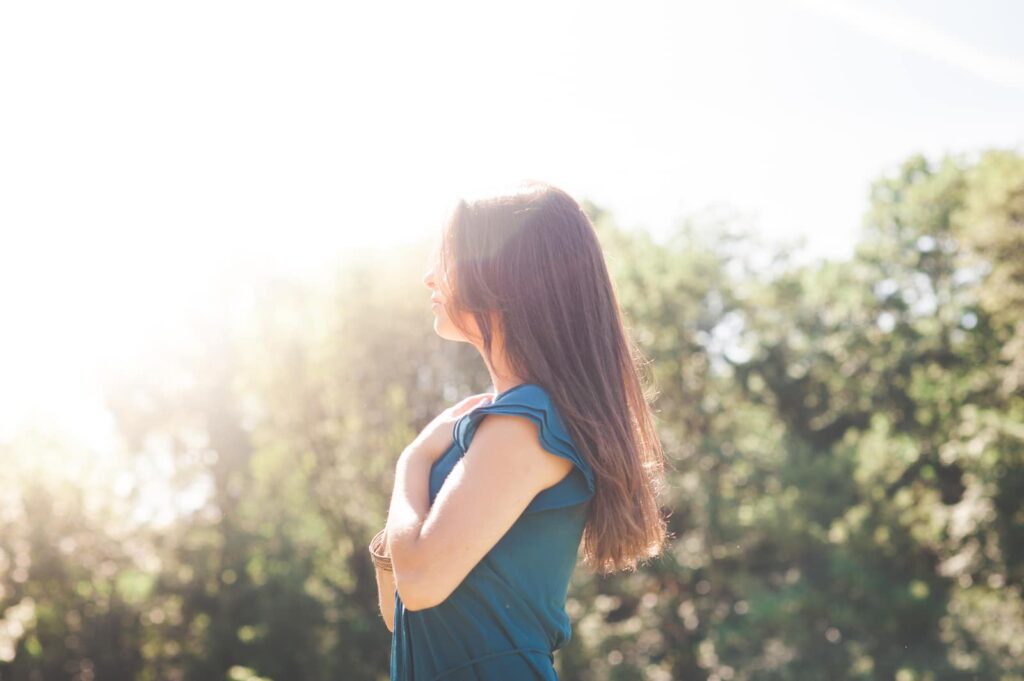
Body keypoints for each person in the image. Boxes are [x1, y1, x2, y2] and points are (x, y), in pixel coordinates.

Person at [370, 180, 669, 680]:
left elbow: (420, 582)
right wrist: (395, 549)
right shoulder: (506, 422)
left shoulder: (527, 423)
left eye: (445, 257)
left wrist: (413, 461)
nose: (428, 278)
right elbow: (404, 613)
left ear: (499, 276)